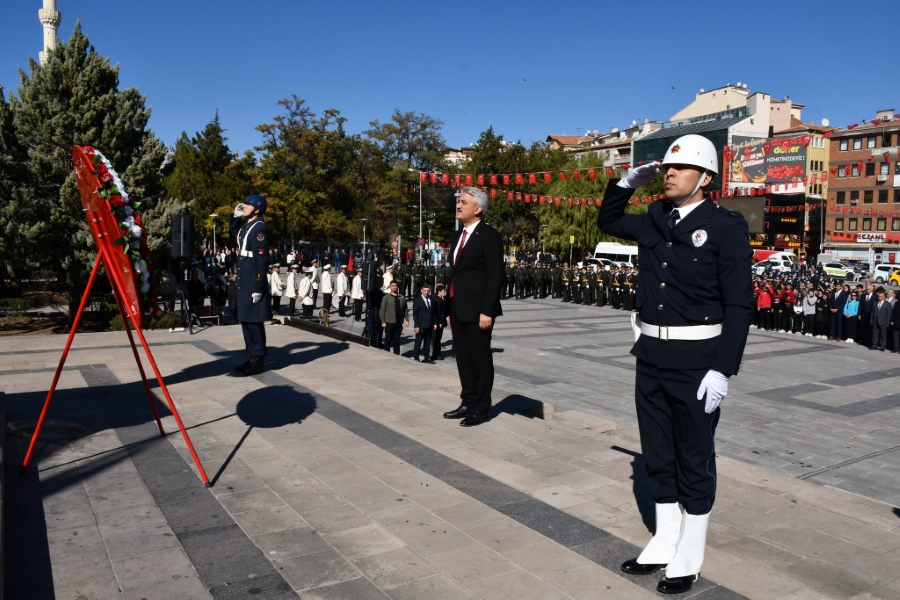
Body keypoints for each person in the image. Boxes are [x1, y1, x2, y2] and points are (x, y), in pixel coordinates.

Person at [597, 134, 753, 595]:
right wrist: (626, 182)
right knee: (658, 452)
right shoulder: (655, 216)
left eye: (679, 168)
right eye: (667, 167)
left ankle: (691, 551)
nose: (668, 173)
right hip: (651, 354)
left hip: (698, 360)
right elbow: (608, 221)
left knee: (693, 455)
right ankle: (665, 538)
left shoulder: (725, 226)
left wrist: (723, 369)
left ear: (704, 178)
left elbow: (740, 305)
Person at [443, 187, 504, 428]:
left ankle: (482, 407)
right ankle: (467, 401)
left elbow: (496, 275)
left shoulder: (489, 235)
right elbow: (457, 272)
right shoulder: (458, 235)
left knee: (480, 359)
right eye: (458, 201)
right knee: (463, 358)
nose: (458, 205)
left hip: (479, 309)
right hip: (458, 305)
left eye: (463, 202)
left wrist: (487, 310)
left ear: (477, 209)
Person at [230, 195, 271, 376]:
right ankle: (252, 355)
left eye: (248, 205)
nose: (244, 206)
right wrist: (235, 217)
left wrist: (258, 286)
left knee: (254, 322)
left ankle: (259, 358)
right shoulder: (248, 226)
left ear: (257, 209)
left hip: (253, 281)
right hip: (245, 280)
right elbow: (234, 236)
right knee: (246, 319)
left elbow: (261, 261)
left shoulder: (259, 229)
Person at [379, 280, 408, 354]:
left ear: (397, 287)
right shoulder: (386, 297)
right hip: (389, 322)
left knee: (397, 341)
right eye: (392, 286)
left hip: (398, 323)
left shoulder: (401, 297)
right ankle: (386, 354)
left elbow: (405, 309)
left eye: (395, 286)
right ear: (390, 287)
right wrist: (383, 321)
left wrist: (407, 320)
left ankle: (396, 355)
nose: (394, 287)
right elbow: (382, 310)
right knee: (388, 341)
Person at [412, 283, 435, 363]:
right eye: (425, 291)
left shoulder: (431, 299)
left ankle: (426, 357)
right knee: (418, 342)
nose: (426, 292)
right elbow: (415, 314)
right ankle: (416, 357)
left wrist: (434, 323)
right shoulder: (417, 300)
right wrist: (416, 325)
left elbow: (433, 312)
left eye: (428, 291)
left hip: (429, 325)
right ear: (421, 291)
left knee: (427, 342)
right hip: (421, 325)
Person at [431, 283, 448, 361]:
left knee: (438, 339)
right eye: (443, 291)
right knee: (436, 339)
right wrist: (439, 322)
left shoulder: (442, 299)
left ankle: (437, 353)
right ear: (439, 291)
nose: (444, 292)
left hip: (441, 322)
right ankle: (436, 354)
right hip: (438, 323)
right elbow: (438, 313)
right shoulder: (437, 300)